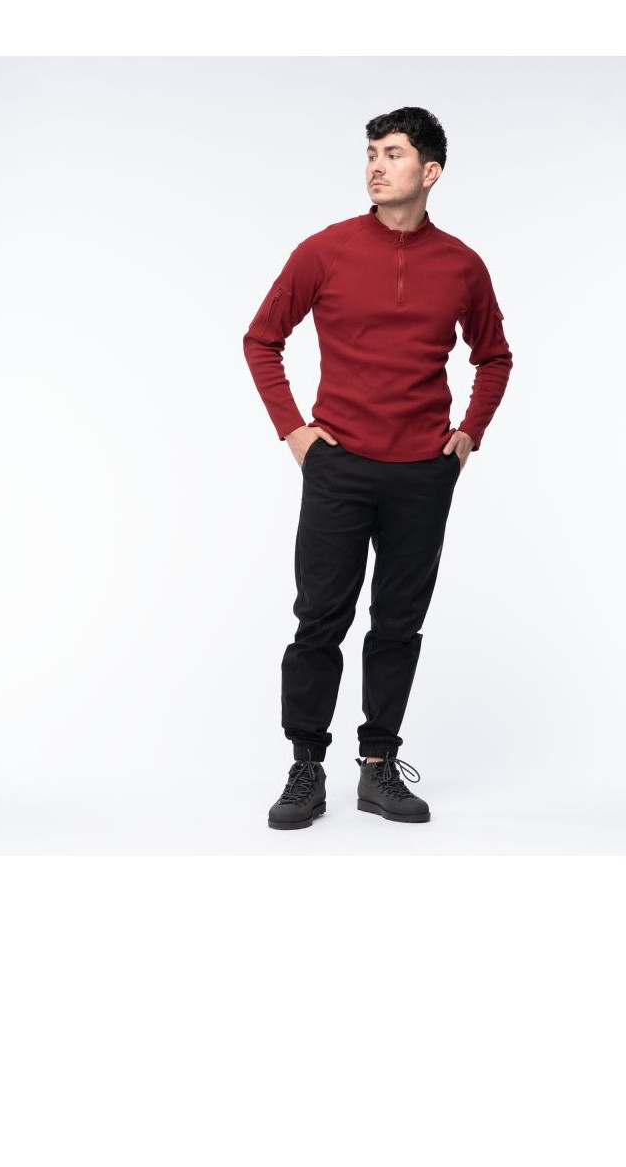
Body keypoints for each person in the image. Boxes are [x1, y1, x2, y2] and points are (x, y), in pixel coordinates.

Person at [242, 107, 513, 830]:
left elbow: (494, 356)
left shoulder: (462, 265)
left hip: (423, 472)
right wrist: (295, 433)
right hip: (339, 466)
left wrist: (468, 436)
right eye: (370, 153)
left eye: (393, 154)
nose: (376, 166)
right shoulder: (324, 251)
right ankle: (306, 767)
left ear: (431, 171)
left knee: (398, 624)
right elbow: (261, 339)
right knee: (319, 619)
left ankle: (377, 765)